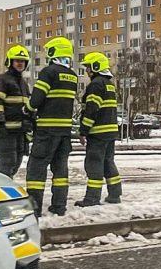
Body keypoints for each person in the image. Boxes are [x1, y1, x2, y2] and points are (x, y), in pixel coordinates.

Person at [24, 37, 77, 217]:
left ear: (54, 52)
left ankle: (34, 208)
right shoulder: (72, 76)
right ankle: (59, 206)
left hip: (47, 130)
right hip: (65, 132)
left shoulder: (49, 72)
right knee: (60, 169)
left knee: (36, 168)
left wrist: (27, 108)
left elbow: (37, 97)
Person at [75, 52, 122, 207]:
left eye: (88, 67)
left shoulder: (96, 84)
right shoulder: (109, 84)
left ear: (95, 67)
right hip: (110, 132)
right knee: (108, 162)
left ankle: (92, 198)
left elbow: (91, 109)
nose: (87, 70)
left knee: (94, 163)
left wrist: (83, 131)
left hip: (98, 132)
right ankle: (115, 194)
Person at [0, 44, 31, 178]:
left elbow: (27, 107)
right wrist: (0, 122)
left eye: (23, 61)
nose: (20, 63)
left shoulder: (24, 84)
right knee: (6, 166)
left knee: (16, 164)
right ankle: (1, 193)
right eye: (17, 60)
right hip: (6, 131)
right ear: (10, 61)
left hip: (20, 132)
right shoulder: (1, 80)